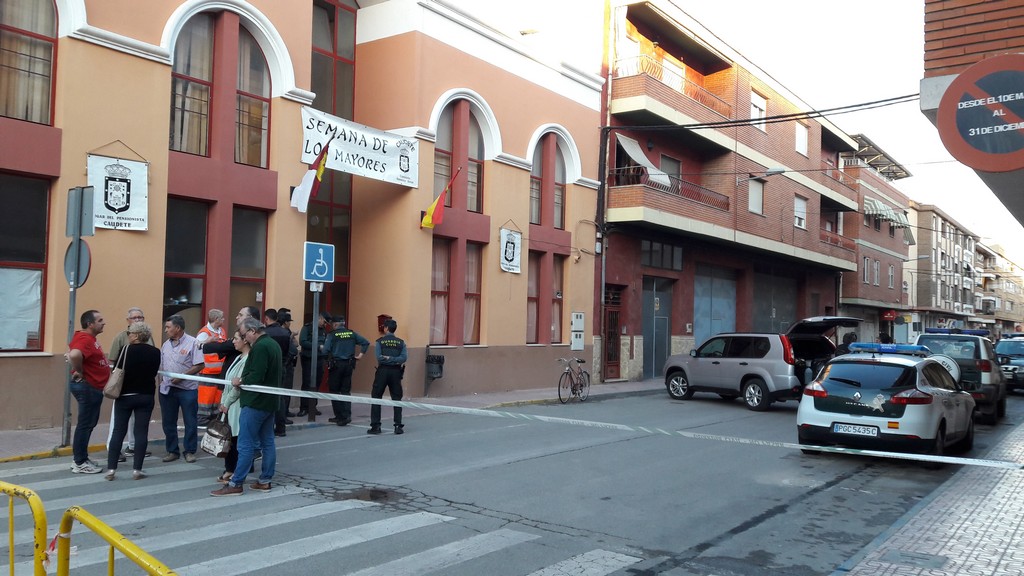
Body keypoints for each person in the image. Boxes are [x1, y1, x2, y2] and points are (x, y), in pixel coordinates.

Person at [211, 317, 282, 496]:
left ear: (252, 331)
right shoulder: (273, 344)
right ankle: (265, 480)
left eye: (243, 334)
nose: (244, 338)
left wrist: (240, 380)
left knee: (245, 444)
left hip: (255, 402)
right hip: (270, 402)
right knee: (267, 442)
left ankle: (236, 483)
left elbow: (256, 376)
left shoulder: (260, 347)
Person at [104, 322, 161, 480]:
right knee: (141, 432)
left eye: (130, 333)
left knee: (118, 431)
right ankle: (137, 470)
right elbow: (154, 372)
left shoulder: (126, 350)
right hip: (146, 395)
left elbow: (117, 369)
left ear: (136, 335)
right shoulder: (155, 352)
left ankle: (111, 469)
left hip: (125, 395)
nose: (128, 335)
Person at [66, 309, 110, 474]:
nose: (103, 323)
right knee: (85, 425)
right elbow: (74, 354)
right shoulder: (85, 338)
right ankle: (79, 462)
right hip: (88, 387)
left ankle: (81, 458)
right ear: (90, 324)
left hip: (91, 387)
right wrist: (80, 370)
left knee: (87, 424)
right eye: (100, 320)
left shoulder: (89, 338)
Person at [106, 307, 151, 462]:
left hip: (142, 386)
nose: (138, 320)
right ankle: (113, 449)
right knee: (118, 422)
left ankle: (132, 446)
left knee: (135, 421)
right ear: (128, 320)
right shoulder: (121, 337)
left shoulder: (148, 337)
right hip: (124, 386)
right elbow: (112, 360)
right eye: (134, 318)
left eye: (140, 317)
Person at [159, 314, 205, 463]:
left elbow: (200, 365)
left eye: (168, 327)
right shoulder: (165, 345)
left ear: (177, 328)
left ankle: (190, 451)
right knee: (168, 422)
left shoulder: (193, 343)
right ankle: (172, 450)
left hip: (187, 389)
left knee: (190, 421)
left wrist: (182, 376)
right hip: (168, 389)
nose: (166, 330)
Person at [216, 329, 251, 484]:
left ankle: (235, 471)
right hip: (228, 404)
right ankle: (229, 469)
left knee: (235, 439)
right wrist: (223, 401)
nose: (233, 341)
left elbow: (238, 386)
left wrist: (227, 402)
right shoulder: (238, 357)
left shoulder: (248, 359)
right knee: (229, 438)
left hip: (236, 405)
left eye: (236, 338)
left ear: (245, 340)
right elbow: (228, 382)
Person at [323, 315, 369, 426]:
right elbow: (365, 342)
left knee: (334, 390)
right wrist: (360, 355)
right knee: (345, 391)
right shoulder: (352, 334)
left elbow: (325, 350)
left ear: (335, 324)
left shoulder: (332, 335)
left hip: (336, 365)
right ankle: (347, 415)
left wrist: (322, 349)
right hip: (349, 365)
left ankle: (340, 416)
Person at [368, 318, 408, 435]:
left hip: (383, 371)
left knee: (376, 397)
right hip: (396, 372)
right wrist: (395, 360)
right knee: (397, 399)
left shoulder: (379, 342)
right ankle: (398, 425)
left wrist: (388, 358)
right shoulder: (401, 342)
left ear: (386, 328)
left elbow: (379, 358)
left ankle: (376, 426)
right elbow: (403, 358)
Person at [196, 309, 229, 425]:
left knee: (216, 396)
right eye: (222, 318)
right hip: (207, 372)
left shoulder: (222, 331)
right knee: (206, 397)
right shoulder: (204, 333)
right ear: (216, 319)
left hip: (219, 371)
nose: (224, 320)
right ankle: (202, 419)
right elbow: (196, 347)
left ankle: (213, 418)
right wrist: (207, 341)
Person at [264, 309, 293, 436]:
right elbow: (289, 351)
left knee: (266, 396)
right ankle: (281, 427)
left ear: (266, 318)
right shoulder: (285, 332)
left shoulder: (264, 333)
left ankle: (267, 427)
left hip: (268, 368)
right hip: (281, 366)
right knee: (280, 397)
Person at [297, 312, 331, 418]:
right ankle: (304, 408)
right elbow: (303, 342)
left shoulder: (323, 331)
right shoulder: (307, 328)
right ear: (319, 318)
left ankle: (312, 406)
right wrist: (317, 346)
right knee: (307, 383)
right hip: (308, 359)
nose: (325, 325)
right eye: (324, 322)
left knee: (317, 383)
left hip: (320, 359)